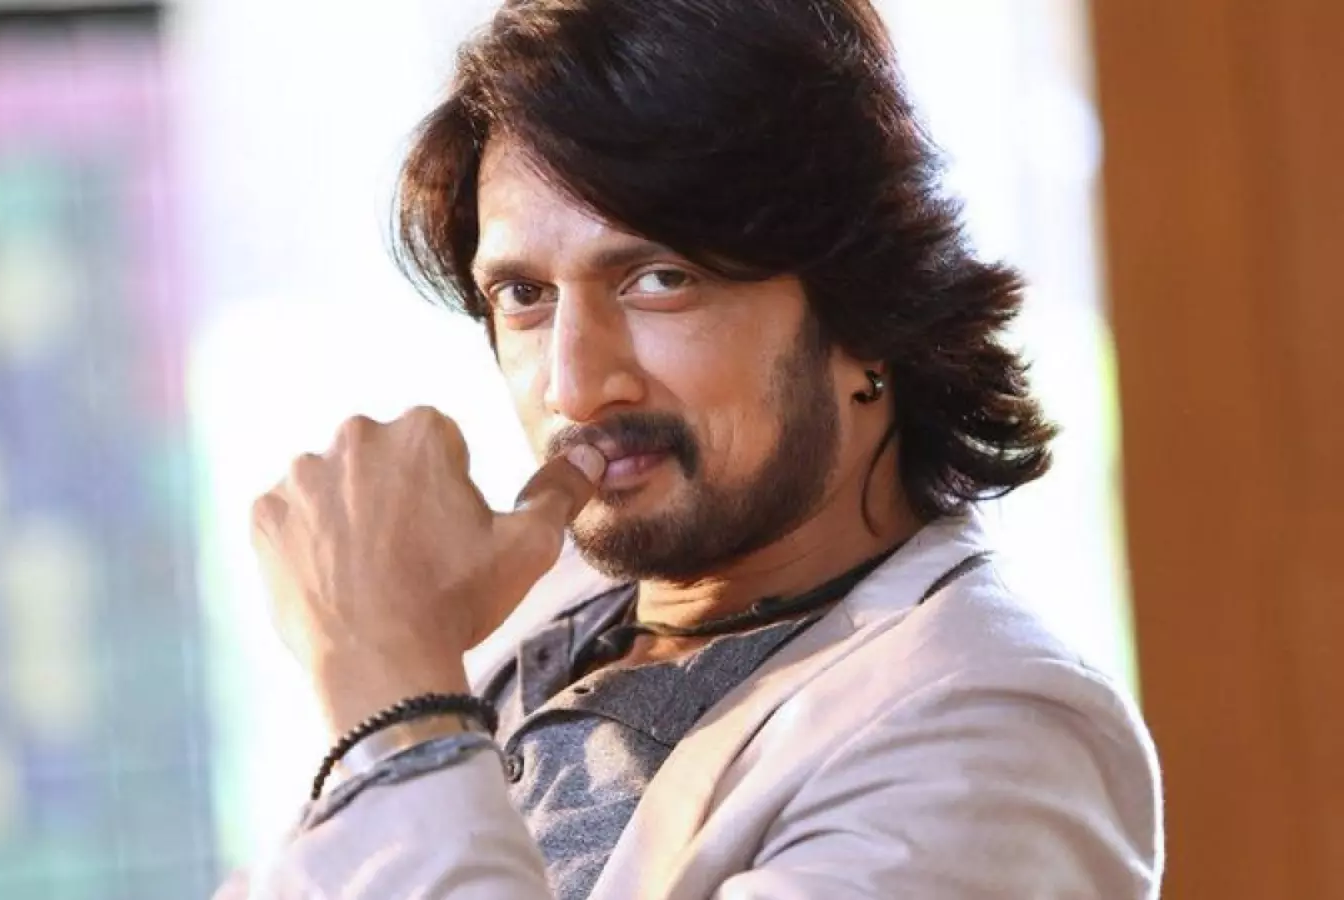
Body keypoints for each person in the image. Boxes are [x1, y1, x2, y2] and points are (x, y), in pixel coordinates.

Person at [221, 0, 1163, 897]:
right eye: (525, 296)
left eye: (659, 279)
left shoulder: (999, 730)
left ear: (866, 317)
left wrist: (393, 696)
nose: (575, 386)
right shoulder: (528, 618)